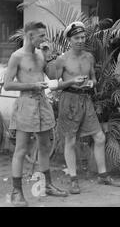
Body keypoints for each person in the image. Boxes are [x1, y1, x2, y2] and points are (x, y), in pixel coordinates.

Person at [4, 21, 68, 207]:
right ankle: (17, 192)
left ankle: (47, 185)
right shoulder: (16, 57)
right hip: (26, 104)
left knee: (44, 146)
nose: (44, 38)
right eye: (41, 35)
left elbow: (51, 75)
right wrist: (31, 85)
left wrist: (48, 57)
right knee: (21, 150)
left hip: (42, 103)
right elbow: (8, 84)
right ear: (30, 36)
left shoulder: (41, 54)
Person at [54, 22, 120, 194]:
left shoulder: (89, 57)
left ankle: (103, 175)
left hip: (86, 99)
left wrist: (92, 83)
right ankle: (73, 180)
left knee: (99, 137)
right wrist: (71, 82)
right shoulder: (62, 59)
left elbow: (94, 78)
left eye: (83, 37)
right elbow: (54, 85)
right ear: (69, 39)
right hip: (69, 100)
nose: (80, 40)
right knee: (70, 141)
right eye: (76, 38)